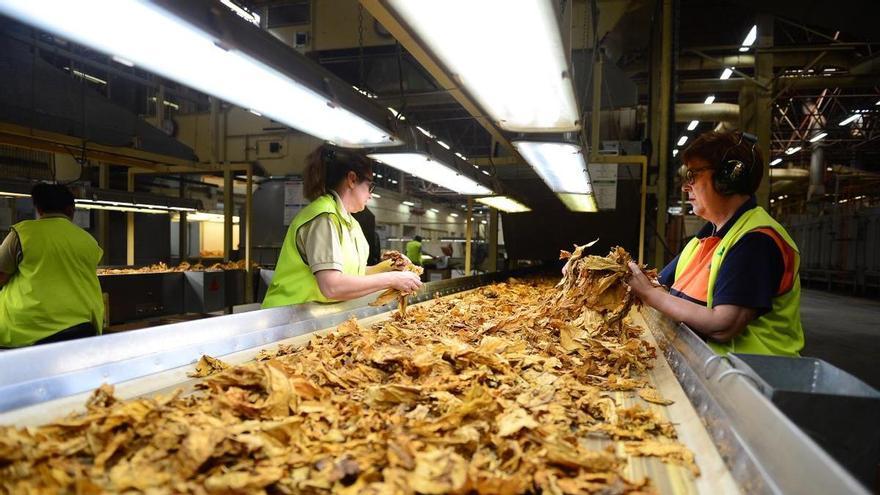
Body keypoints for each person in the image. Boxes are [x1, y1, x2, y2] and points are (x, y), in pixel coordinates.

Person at [626, 131, 804, 356]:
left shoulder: (757, 240)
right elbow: (654, 285)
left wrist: (652, 296)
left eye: (693, 175)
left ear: (727, 178)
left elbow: (723, 325)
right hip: (713, 372)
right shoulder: (704, 239)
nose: (685, 187)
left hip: (748, 380)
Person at [262, 146, 422, 307]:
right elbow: (332, 286)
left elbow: (351, 273)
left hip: (315, 317)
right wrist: (393, 279)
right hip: (288, 319)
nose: (370, 194)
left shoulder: (350, 222)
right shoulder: (323, 217)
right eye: (369, 186)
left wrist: (389, 268)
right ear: (352, 179)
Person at [0, 183, 104, 347]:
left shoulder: (23, 234)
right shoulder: (89, 241)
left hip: (26, 330)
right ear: (71, 210)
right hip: (81, 325)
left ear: (39, 209)